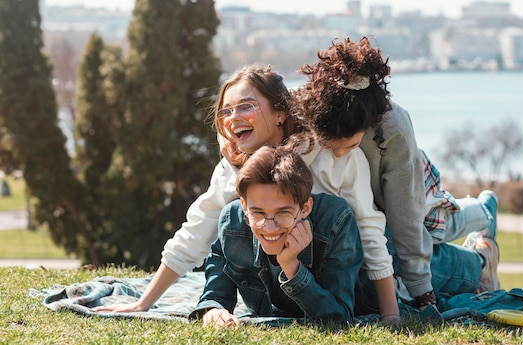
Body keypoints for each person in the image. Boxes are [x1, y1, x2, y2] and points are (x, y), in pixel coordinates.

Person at [97, 64, 400, 322]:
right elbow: (197, 230)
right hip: (289, 286)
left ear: (281, 113)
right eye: (226, 110)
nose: (232, 117)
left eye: (245, 106)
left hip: (361, 274)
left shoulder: (329, 154)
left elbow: (369, 229)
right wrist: (144, 302)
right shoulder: (234, 167)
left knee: (446, 266)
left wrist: (391, 315)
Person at [291, 37, 500, 306]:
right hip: (368, 196)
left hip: (409, 185)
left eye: (350, 145)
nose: (340, 155)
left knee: (436, 228)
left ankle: (484, 214)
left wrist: (420, 288)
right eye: (331, 146)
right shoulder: (309, 104)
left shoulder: (393, 129)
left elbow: (407, 220)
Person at [190, 145, 368, 326]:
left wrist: (292, 266)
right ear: (244, 206)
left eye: (283, 213)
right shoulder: (231, 222)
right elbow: (215, 295)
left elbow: (339, 318)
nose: (269, 227)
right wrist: (214, 312)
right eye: (258, 213)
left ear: (305, 208)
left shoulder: (335, 221)